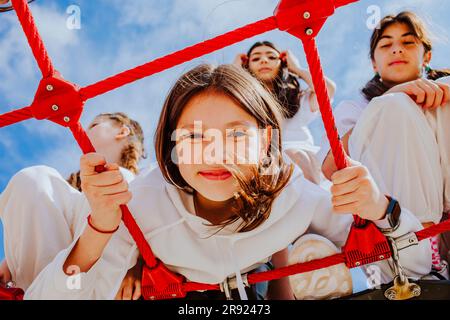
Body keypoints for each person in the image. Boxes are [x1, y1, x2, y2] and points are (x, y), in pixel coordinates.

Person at [1, 64, 431, 300]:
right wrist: (100, 230)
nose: (215, 153)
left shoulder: (294, 194)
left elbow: (415, 269)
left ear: (266, 140)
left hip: (238, 286)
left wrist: (381, 208)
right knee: (34, 181)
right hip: (176, 285)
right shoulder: (144, 205)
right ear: (170, 144)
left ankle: (300, 268)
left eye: (238, 135)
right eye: (193, 137)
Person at [319, 11, 450, 276]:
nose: (397, 50)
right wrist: (394, 95)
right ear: (374, 64)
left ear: (427, 55)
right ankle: (426, 247)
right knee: (393, 106)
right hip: (399, 228)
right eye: (386, 44)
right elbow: (331, 168)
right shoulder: (357, 107)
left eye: (408, 42)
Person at [0, 112, 146, 300]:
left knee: (116, 183)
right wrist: (11, 262)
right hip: (44, 287)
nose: (83, 131)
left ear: (122, 131)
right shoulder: (63, 190)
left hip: (101, 285)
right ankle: (40, 290)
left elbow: (154, 227)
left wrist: (138, 264)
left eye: (93, 126)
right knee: (35, 178)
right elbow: (41, 232)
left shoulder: (143, 181)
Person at [234, 41, 336, 184]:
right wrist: (235, 71)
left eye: (271, 57)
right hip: (259, 162)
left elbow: (328, 90)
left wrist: (297, 69)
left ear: (282, 63)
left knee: (293, 154)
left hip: (300, 161)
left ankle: (312, 199)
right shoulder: (242, 101)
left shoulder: (297, 98)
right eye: (256, 58)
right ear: (247, 66)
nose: (264, 60)